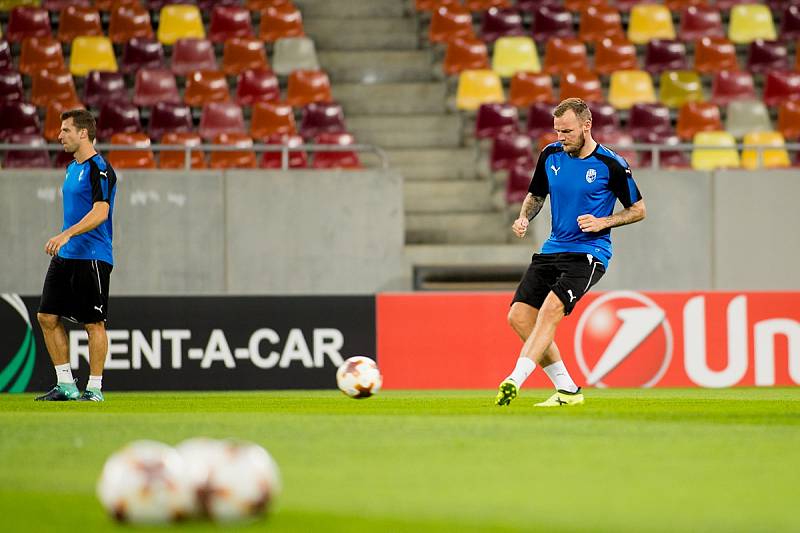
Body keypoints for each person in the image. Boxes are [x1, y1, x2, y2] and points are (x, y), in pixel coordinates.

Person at [495, 98, 646, 407]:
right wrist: (525, 216)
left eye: (566, 131)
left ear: (586, 126)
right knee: (519, 317)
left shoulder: (611, 164)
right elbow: (536, 195)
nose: (560, 138)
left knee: (551, 310)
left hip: (589, 253)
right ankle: (567, 389)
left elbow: (639, 209)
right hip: (553, 248)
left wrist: (604, 221)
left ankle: (515, 379)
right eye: (557, 131)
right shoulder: (550, 155)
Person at [35, 109, 117, 402]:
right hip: (66, 255)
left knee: (93, 324)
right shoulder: (71, 168)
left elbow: (101, 211)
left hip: (92, 255)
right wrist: (65, 238)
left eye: (65, 130)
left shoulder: (100, 168)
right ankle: (66, 384)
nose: (59, 136)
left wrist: (67, 233)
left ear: (83, 133)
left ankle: (94, 388)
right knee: (46, 316)